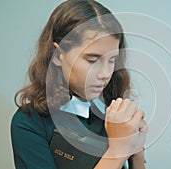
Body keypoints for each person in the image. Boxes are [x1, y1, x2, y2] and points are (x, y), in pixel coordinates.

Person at [10, 0, 148, 169]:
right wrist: (117, 152)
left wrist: (137, 151)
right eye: (92, 60)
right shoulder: (30, 122)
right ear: (57, 54)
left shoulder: (114, 111)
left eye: (112, 60)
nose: (105, 74)